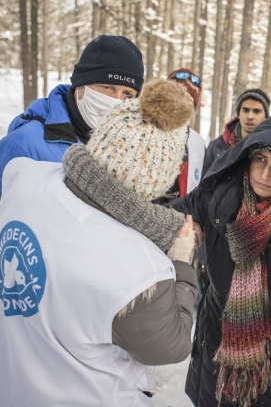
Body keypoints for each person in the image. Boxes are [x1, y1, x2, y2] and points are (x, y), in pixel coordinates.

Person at [0, 79, 198, 405]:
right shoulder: (140, 270)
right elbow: (171, 345)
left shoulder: (23, 178)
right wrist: (180, 262)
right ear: (158, 177)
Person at [173, 108, 271, 407]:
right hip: (216, 352)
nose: (265, 174)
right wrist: (187, 225)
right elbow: (174, 215)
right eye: (260, 160)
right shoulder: (222, 192)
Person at [0, 35, 144, 198]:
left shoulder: (129, 148)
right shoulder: (23, 144)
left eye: (128, 94)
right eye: (107, 87)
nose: (117, 101)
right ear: (80, 85)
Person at [155, 68, 206, 203]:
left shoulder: (198, 142)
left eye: (188, 100)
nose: (181, 105)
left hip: (183, 218)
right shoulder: (147, 132)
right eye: (177, 97)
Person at [202, 88, 270, 176]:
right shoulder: (217, 147)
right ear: (238, 114)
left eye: (256, 111)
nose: (250, 116)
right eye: (245, 110)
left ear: (266, 117)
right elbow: (204, 185)